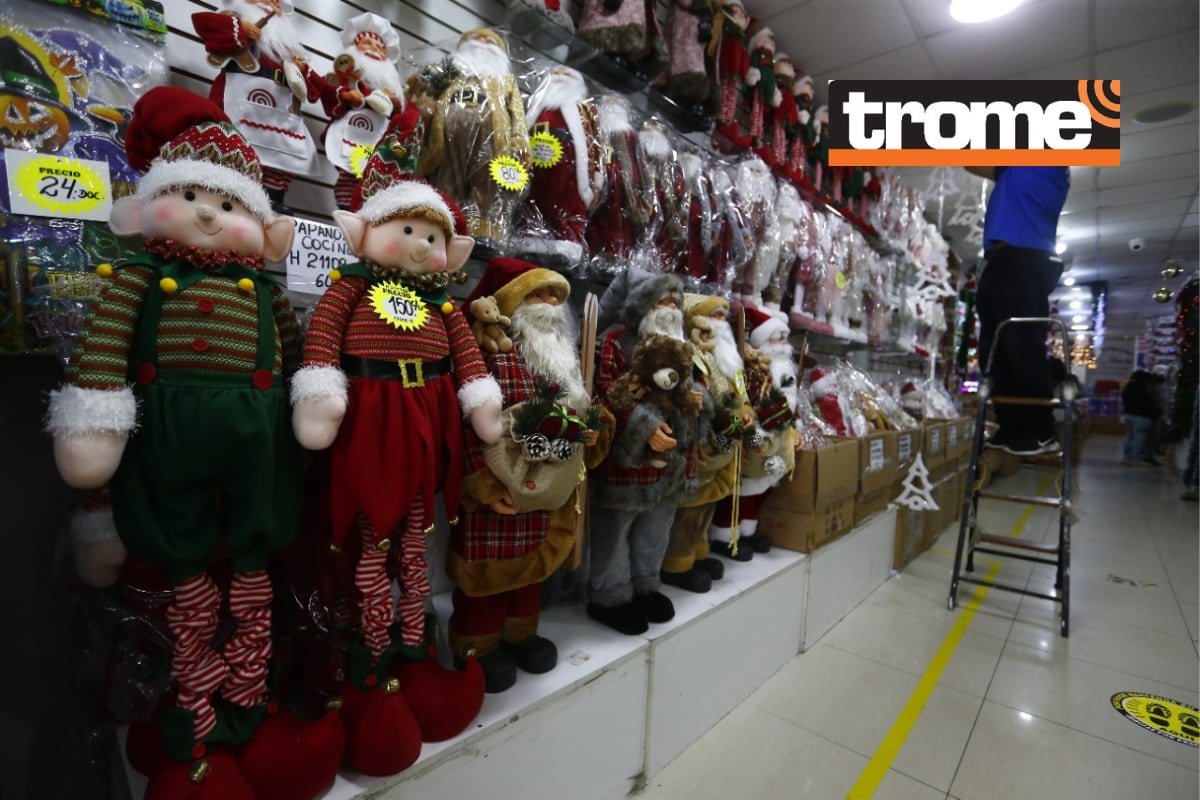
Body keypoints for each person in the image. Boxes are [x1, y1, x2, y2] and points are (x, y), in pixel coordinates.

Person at [965, 166, 1070, 456]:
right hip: (1002, 260)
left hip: (1023, 256)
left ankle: (1040, 429)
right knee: (992, 349)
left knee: (1020, 344)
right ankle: (1011, 425)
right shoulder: (1014, 167)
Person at [1120, 370, 1161, 466]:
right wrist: (1156, 413)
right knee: (1139, 438)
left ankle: (1127, 457)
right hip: (1142, 416)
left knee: (1130, 436)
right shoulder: (1144, 388)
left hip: (1128, 415)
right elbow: (1148, 403)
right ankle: (1136, 459)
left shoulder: (1128, 387)